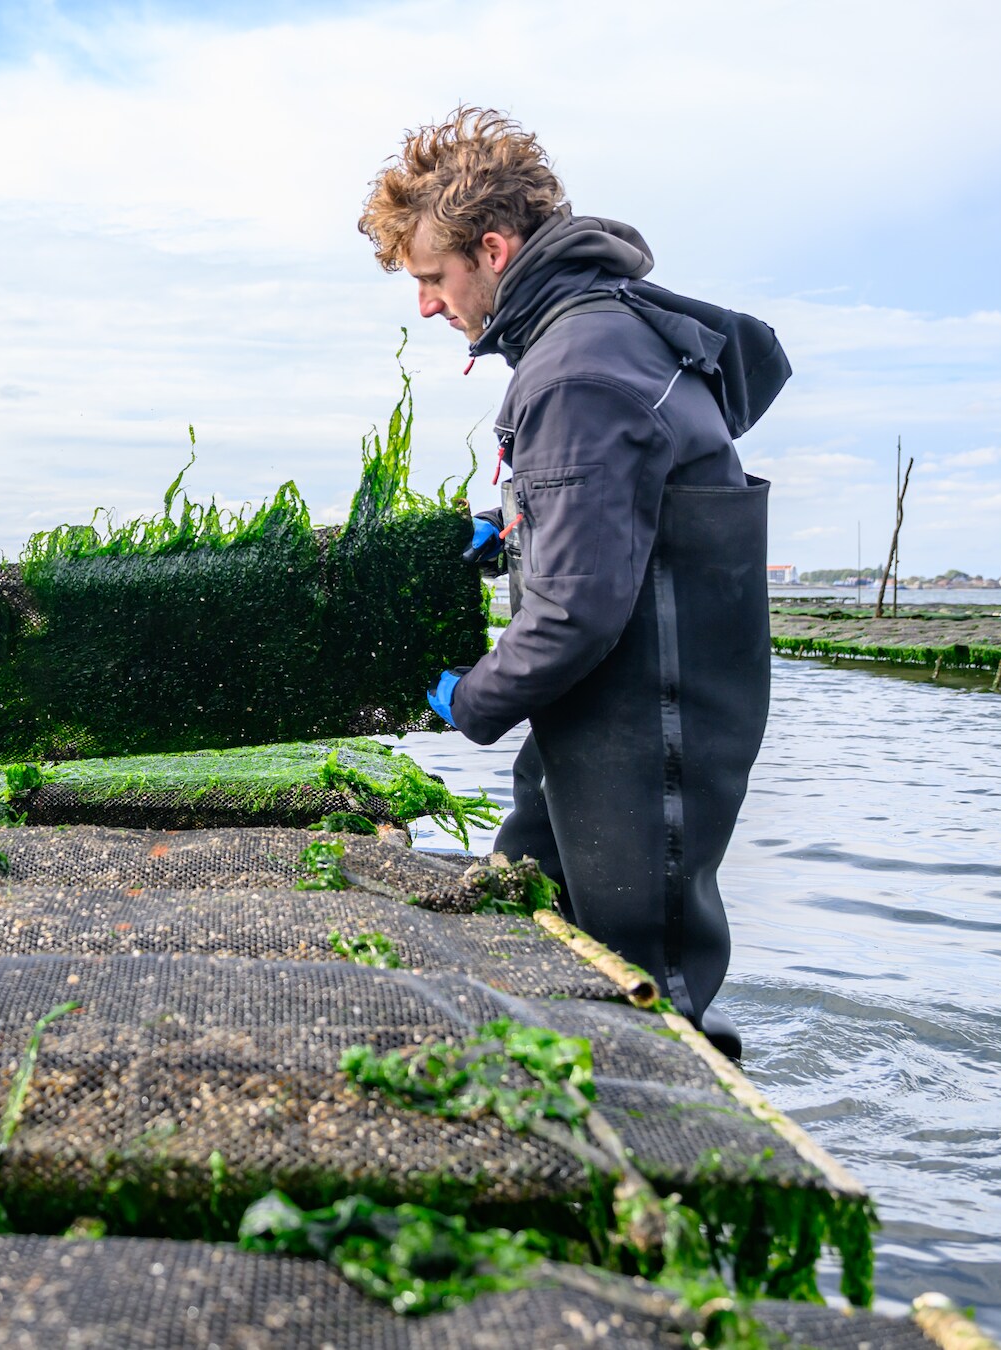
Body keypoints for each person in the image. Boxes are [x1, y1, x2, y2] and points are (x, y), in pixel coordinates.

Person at [358, 109, 789, 1058]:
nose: (425, 304)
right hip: (599, 717)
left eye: (432, 277)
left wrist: (472, 698)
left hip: (654, 725)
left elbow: (575, 609)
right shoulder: (602, 332)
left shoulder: (576, 367)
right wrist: (516, 522)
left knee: (652, 990)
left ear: (493, 249)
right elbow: (623, 504)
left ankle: (685, 1139)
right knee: (534, 917)